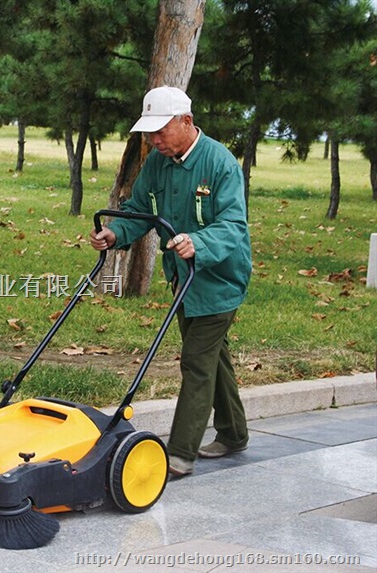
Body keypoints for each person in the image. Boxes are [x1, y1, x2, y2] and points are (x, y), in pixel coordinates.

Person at [90, 86, 252, 477]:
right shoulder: (158, 163)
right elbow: (139, 210)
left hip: (219, 279)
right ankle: (233, 433)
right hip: (182, 277)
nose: (154, 140)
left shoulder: (220, 164)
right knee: (214, 357)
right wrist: (115, 235)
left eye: (161, 131)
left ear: (186, 122)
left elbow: (232, 225)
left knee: (197, 362)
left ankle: (180, 454)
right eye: (149, 133)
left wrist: (199, 242)